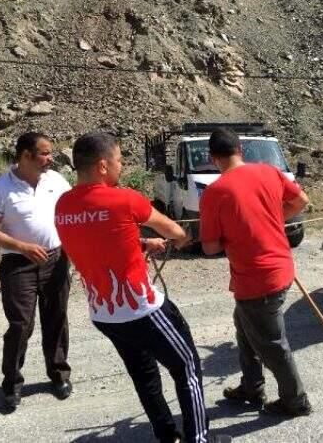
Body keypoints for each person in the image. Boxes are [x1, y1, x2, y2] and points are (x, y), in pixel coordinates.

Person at [54, 132, 230, 443]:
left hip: (104, 314)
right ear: (103, 166)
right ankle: (199, 440)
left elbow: (97, 235)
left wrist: (141, 243)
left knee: (144, 374)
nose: (122, 167)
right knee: (187, 365)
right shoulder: (125, 198)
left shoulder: (63, 205)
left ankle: (167, 436)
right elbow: (174, 229)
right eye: (119, 161)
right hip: (142, 309)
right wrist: (180, 237)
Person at [199, 128, 312, 418]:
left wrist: (236, 233)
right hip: (281, 269)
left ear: (213, 159)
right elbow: (301, 201)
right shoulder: (269, 171)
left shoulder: (215, 192)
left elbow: (210, 247)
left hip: (257, 280)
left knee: (272, 343)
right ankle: (251, 387)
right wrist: (270, 220)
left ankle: (296, 401)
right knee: (244, 324)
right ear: (241, 150)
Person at [0, 132, 72, 410]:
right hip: (18, 265)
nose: (50, 158)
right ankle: (11, 383)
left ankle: (59, 375)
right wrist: (22, 246)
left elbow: (72, 212)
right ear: (25, 156)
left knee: (56, 318)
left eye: (50, 153)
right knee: (21, 324)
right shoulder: (0, 188)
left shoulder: (56, 180)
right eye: (44, 153)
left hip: (56, 259)